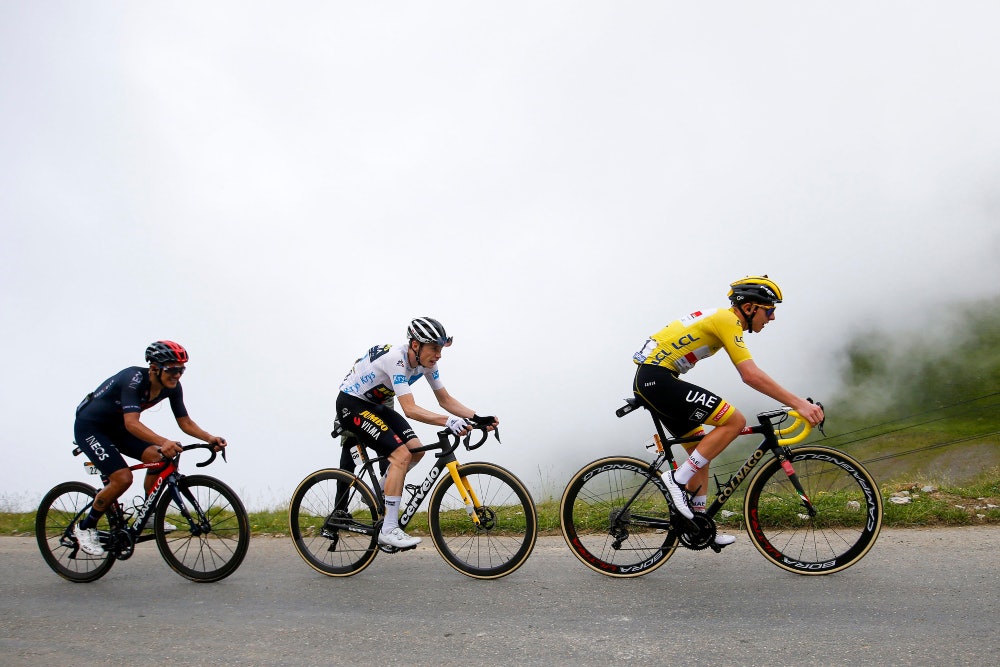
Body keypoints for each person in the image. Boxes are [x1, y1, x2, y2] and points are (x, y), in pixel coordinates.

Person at [631, 276, 824, 546]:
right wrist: (799, 403)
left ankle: (697, 524)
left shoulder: (723, 319)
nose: (772, 318)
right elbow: (750, 375)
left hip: (656, 380)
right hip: (657, 380)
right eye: (769, 310)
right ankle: (676, 479)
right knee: (735, 421)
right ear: (749, 308)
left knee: (702, 450)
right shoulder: (727, 320)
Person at [336, 317, 497, 549]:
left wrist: (477, 417)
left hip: (375, 404)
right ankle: (389, 529)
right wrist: (448, 421)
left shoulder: (428, 364)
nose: (438, 354)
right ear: (415, 345)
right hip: (351, 404)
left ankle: (375, 492)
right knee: (400, 455)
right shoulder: (396, 360)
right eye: (434, 348)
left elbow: (445, 400)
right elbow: (410, 409)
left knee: (415, 451)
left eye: (440, 349)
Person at [72, 341, 227, 556]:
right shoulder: (133, 380)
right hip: (92, 427)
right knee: (123, 478)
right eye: (172, 369)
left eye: (181, 369)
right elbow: (132, 423)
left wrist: (209, 437)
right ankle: (85, 527)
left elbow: (185, 421)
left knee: (160, 458)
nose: (177, 375)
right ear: (154, 368)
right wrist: (164, 441)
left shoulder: (172, 387)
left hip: (118, 427)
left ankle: (148, 514)